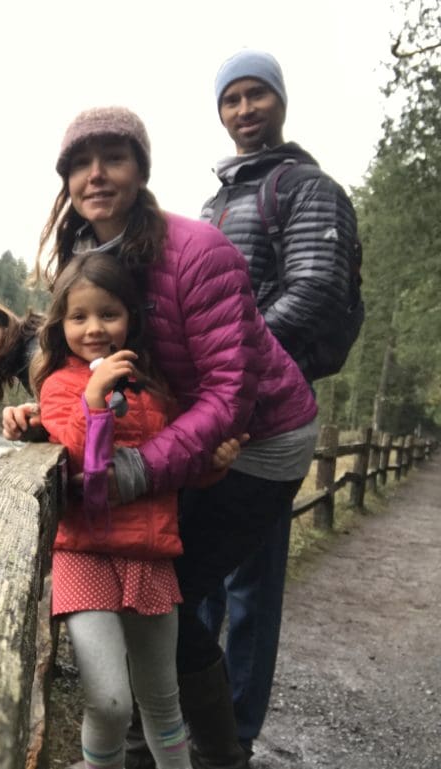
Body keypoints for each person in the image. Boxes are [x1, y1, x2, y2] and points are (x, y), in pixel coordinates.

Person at [35, 105, 318, 769]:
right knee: (161, 578)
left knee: (172, 584)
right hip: (186, 435)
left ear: (141, 170)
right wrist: (36, 410)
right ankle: (148, 743)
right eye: (81, 161)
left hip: (265, 437)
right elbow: (80, 361)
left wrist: (135, 472)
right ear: (66, 177)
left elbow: (229, 393)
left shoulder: (196, 252)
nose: (96, 173)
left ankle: (218, 753)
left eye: (114, 157)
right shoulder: (93, 260)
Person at [195, 49, 361, 762]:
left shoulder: (306, 186)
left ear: (280, 101)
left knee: (252, 581)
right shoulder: (217, 201)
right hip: (213, 406)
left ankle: (231, 734)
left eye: (255, 94)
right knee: (196, 568)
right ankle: (189, 712)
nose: (243, 111)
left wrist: (233, 364)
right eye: (231, 99)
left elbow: (317, 287)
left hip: (269, 411)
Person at [32, 250, 242, 769]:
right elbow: (82, 461)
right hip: (85, 555)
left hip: (149, 557)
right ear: (62, 324)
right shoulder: (60, 384)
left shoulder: (154, 388)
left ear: (130, 317)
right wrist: (95, 399)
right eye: (79, 317)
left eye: (109, 313)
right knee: (107, 702)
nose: (94, 328)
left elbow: (177, 464)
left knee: (163, 701)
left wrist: (214, 464)